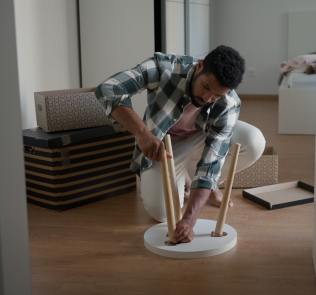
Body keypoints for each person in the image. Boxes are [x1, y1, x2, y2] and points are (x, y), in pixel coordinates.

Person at [95, 45, 265, 244]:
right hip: (165, 145)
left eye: (217, 96)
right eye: (206, 87)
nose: (207, 99)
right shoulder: (164, 68)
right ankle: (187, 179)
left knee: (254, 141)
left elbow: (212, 161)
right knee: (162, 215)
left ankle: (204, 186)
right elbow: (108, 88)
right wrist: (143, 134)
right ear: (200, 66)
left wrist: (189, 221)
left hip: (202, 138)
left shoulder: (229, 102)